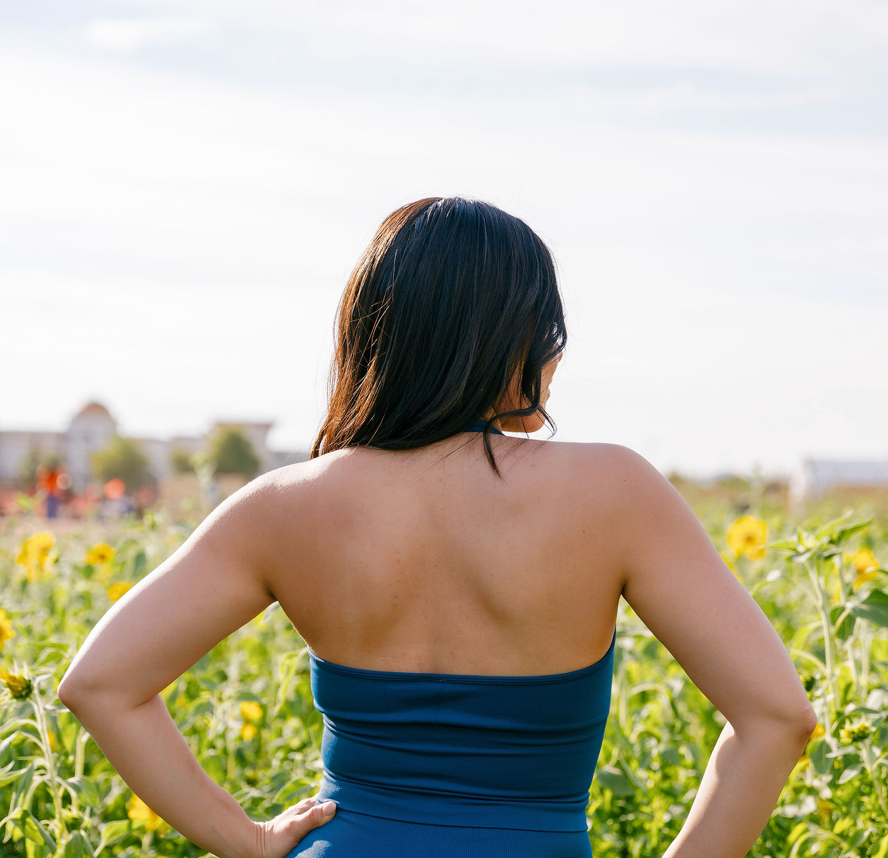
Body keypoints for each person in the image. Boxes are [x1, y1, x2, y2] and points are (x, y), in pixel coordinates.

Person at [57, 197, 817, 858]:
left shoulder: (283, 504)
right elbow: (777, 717)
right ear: (520, 342)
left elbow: (101, 684)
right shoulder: (615, 491)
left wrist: (246, 840)